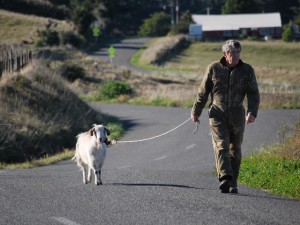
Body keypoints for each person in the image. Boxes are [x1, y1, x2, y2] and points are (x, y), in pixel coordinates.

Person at [191, 40, 260, 194]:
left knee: (235, 149)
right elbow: (203, 92)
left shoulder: (247, 70)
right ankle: (225, 177)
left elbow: (253, 93)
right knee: (222, 144)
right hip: (217, 113)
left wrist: (252, 112)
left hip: (237, 115)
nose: (234, 55)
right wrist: (196, 111)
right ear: (224, 54)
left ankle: (233, 183)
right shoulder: (214, 68)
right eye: (230, 52)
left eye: (237, 52)